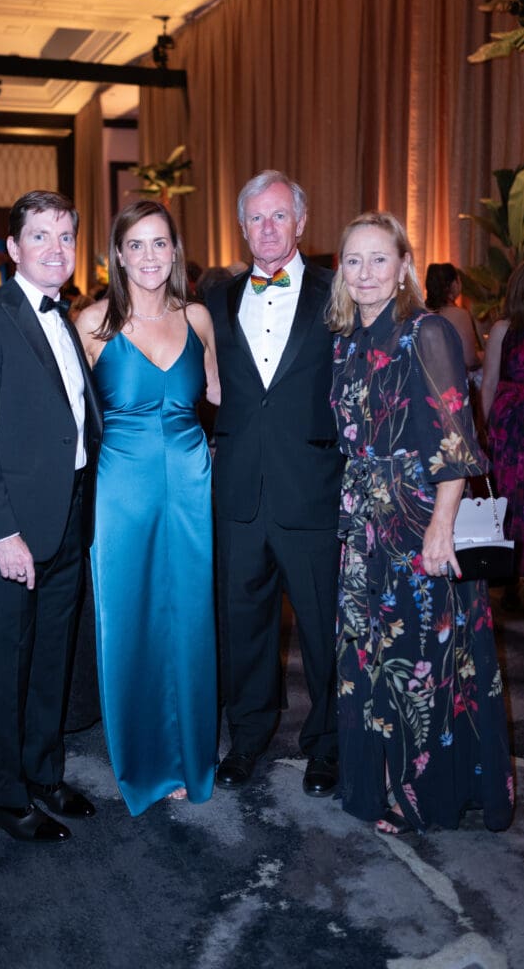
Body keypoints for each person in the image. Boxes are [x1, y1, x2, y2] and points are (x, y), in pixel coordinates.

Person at [327, 210, 514, 835]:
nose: (365, 273)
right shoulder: (348, 339)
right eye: (353, 260)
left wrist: (441, 525)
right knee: (365, 657)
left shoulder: (426, 331)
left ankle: (419, 796)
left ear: (404, 266)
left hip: (415, 523)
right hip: (362, 528)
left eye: (379, 259)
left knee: (419, 662)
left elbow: (458, 440)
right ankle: (374, 779)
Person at [0, 190, 103, 843]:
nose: (55, 248)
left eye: (65, 235)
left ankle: (42, 774)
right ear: (12, 248)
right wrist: (2, 533)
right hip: (9, 529)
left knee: (50, 662)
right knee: (6, 664)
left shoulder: (62, 319)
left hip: (65, 519)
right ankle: (3, 795)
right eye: (40, 236)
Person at [76, 199, 219, 816]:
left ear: (175, 251)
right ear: (117, 253)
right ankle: (143, 764)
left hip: (191, 484)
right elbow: (66, 418)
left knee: (190, 619)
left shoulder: (200, 317)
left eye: (160, 243)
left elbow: (221, 396)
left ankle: (191, 758)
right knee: (129, 620)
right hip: (122, 490)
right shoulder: (92, 324)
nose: (149, 256)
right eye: (136, 244)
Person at [206, 169, 344, 795]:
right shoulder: (214, 301)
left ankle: (327, 746)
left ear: (301, 222)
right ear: (242, 227)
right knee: (245, 627)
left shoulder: (335, 292)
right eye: (256, 218)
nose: (267, 228)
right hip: (237, 492)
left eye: (279, 216)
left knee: (323, 630)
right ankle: (249, 737)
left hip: (312, 488)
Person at [480, 258, 524, 615]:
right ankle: (511, 578)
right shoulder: (504, 329)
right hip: (511, 436)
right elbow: (489, 383)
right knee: (511, 507)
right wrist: (484, 435)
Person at [425, 262, 482, 372]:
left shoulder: (417, 312)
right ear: (454, 284)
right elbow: (469, 361)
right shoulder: (460, 315)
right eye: (459, 280)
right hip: (450, 382)